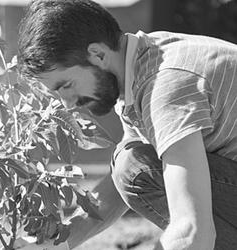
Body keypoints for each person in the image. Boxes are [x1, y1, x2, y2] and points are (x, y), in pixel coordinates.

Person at [18, 0, 237, 249]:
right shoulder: (143, 62)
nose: (67, 104)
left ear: (98, 54)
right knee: (131, 162)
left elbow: (192, 229)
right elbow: (118, 186)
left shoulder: (165, 85)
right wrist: (51, 245)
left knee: (135, 167)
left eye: (66, 85)